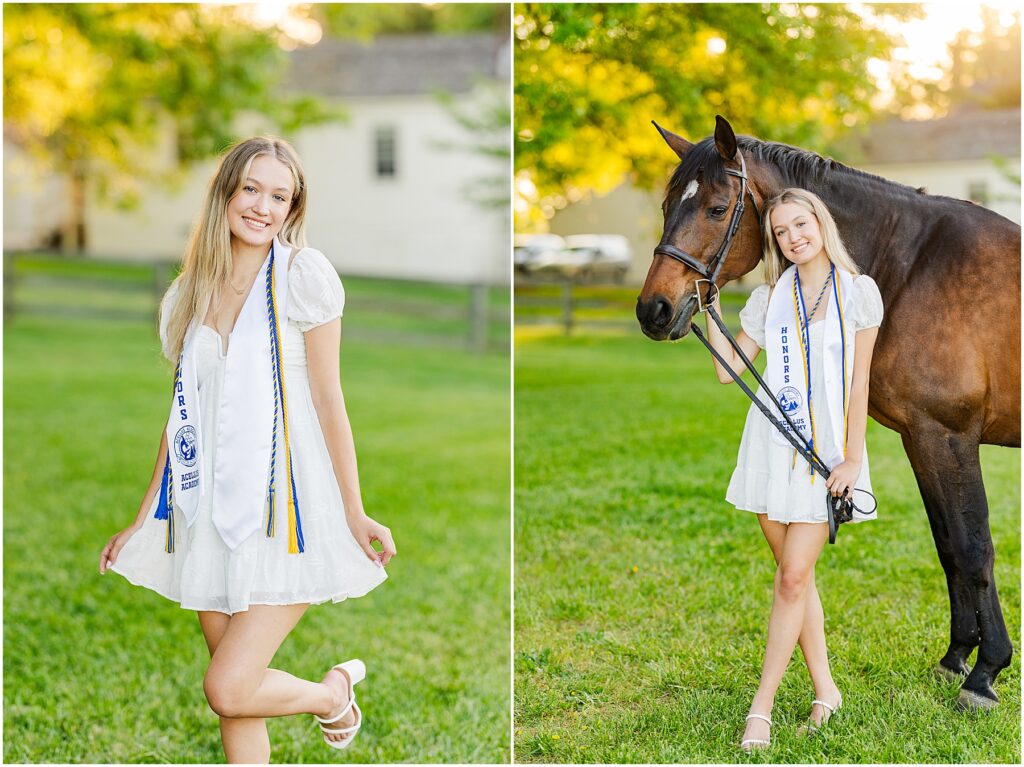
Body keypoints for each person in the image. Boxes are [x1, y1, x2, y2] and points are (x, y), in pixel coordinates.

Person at [98, 136, 397, 763]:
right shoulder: (188, 294)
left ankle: (330, 694)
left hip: (288, 512)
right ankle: (330, 692)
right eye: (252, 190)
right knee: (235, 695)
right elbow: (183, 416)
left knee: (228, 688)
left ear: (293, 207)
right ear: (226, 193)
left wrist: (354, 510)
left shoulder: (301, 277)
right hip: (204, 510)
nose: (263, 206)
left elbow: (328, 398)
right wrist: (143, 515)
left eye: (280, 195)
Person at [703, 187, 883, 751]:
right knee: (795, 578)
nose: (793, 238)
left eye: (800, 225)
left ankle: (761, 710)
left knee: (790, 579)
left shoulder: (859, 294)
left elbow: (861, 384)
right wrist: (709, 308)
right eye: (781, 232)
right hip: (770, 449)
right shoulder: (769, 296)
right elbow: (729, 371)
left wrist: (853, 458)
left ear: (820, 223)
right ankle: (826, 690)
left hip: (825, 455)